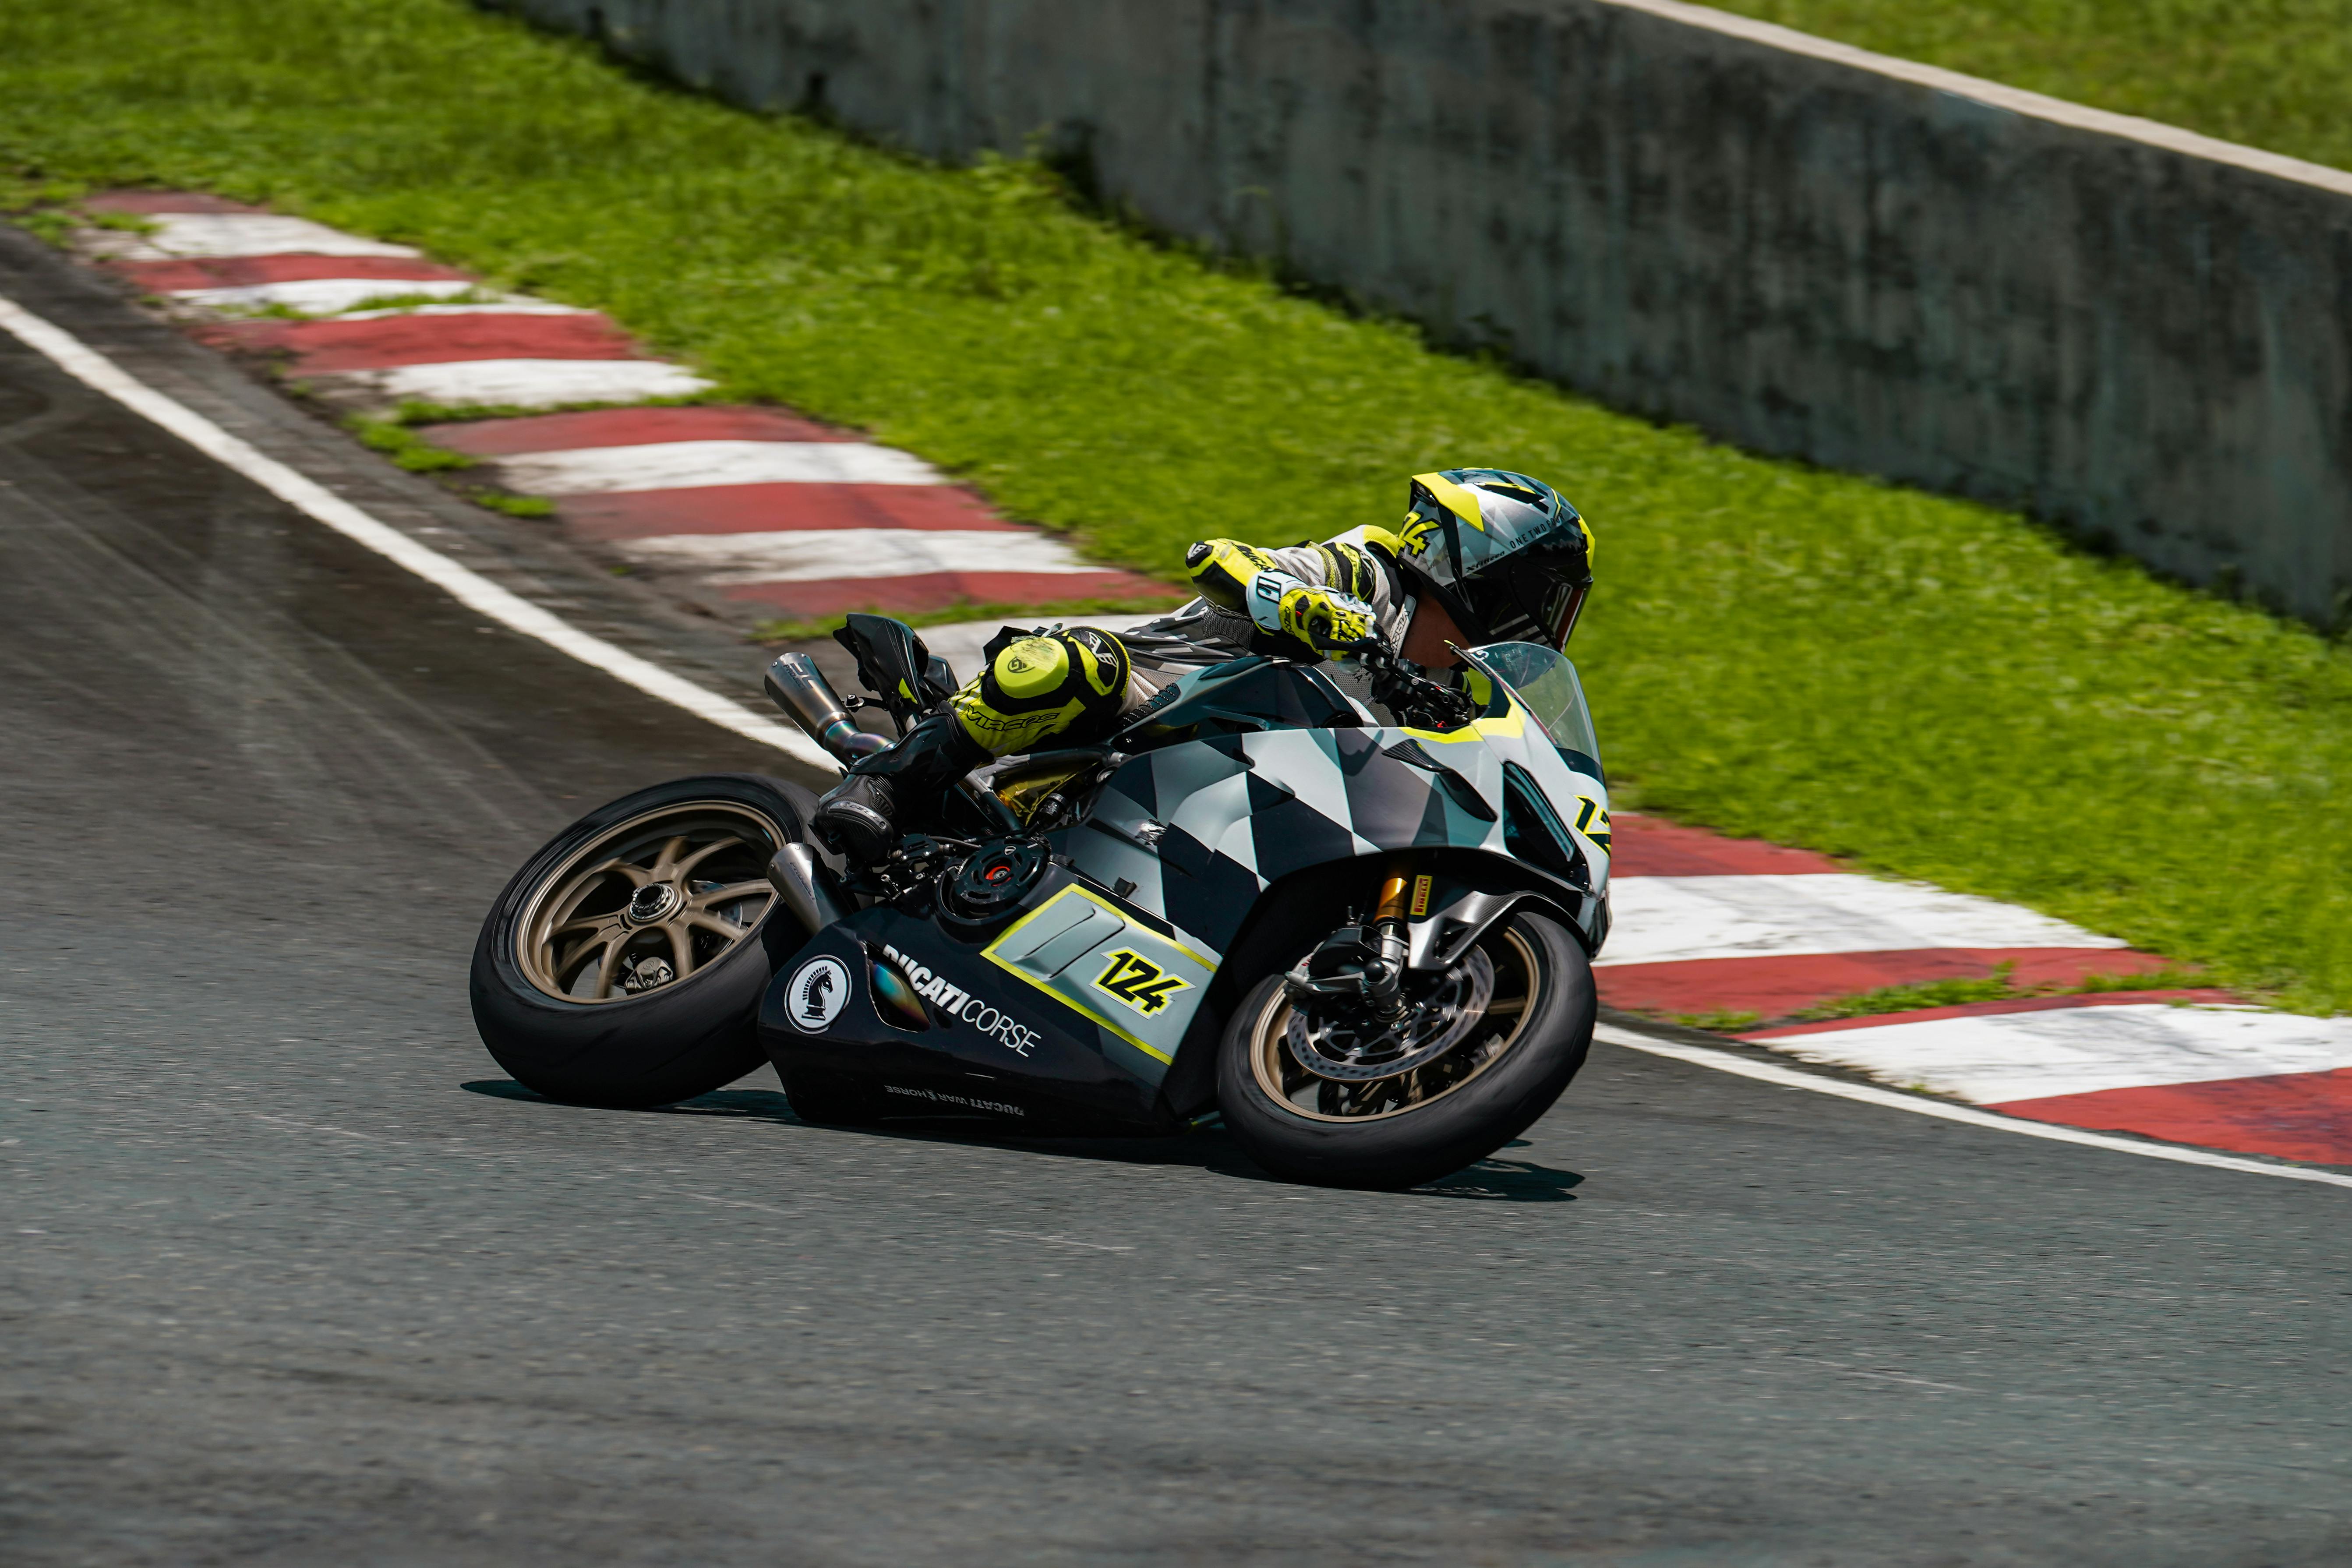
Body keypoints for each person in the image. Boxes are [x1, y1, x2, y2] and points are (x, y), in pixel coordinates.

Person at [810, 467, 1594, 866]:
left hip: (1254, 804)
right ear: (1484, 563)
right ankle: (886, 781)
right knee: (1077, 663)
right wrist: (1296, 602)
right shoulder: (1368, 574)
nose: (1547, 617)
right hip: (1151, 707)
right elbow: (1216, 558)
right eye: (1542, 592)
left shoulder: (1456, 693)